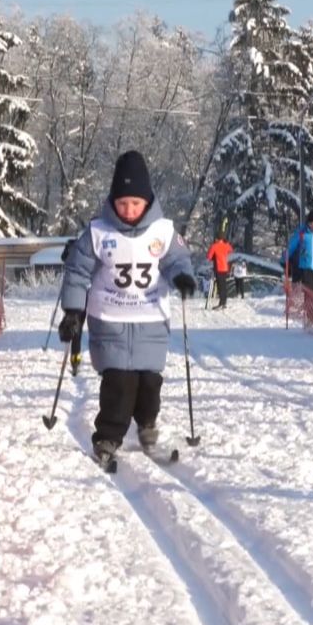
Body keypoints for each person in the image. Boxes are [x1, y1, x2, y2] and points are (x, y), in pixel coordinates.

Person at [57, 150, 197, 470]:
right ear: (113, 201)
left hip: (150, 319)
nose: (129, 210)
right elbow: (78, 273)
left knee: (150, 381)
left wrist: (183, 277)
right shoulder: (98, 233)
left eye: (135, 203)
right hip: (110, 319)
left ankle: (147, 424)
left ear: (147, 200)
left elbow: (177, 260)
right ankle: (108, 436)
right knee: (118, 382)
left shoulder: (162, 231)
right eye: (122, 204)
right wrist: (73, 312)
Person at [59, 237, 85, 375]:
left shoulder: (70, 250)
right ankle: (76, 360)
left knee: (77, 331)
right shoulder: (86, 251)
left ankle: (75, 361)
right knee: (79, 329)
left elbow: (63, 259)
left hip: (70, 296)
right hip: (84, 296)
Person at [206, 232, 233, 310]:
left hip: (218, 267)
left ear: (216, 238)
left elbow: (208, 256)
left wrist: (213, 257)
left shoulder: (214, 246)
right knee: (224, 286)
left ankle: (221, 303)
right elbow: (231, 250)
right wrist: (226, 243)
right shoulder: (226, 245)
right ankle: (224, 302)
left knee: (220, 286)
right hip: (225, 267)